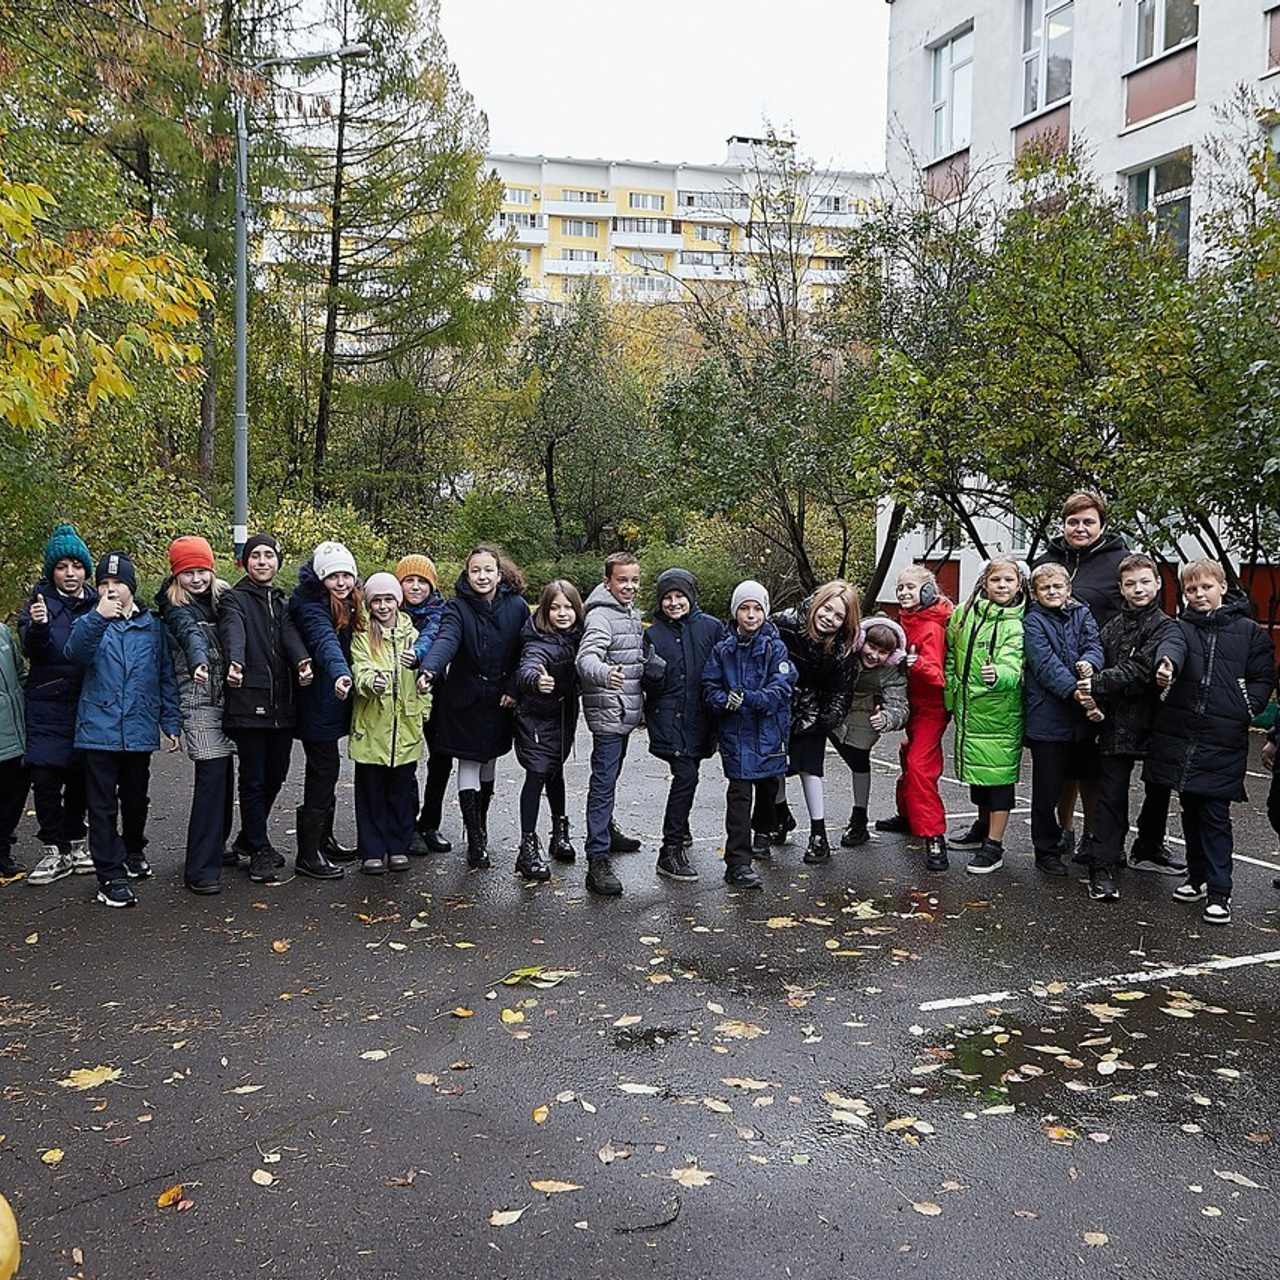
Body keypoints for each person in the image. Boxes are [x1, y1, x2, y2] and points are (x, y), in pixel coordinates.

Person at [1145, 559, 1274, 925]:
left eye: (1206, 587)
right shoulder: (1180, 628)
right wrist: (1166, 668)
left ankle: (1220, 891)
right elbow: (1171, 649)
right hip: (1182, 735)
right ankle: (1197, 876)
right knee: (1191, 810)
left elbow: (1263, 677)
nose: (1199, 594)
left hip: (1222, 738)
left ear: (1222, 587)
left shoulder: (1249, 632)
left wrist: (1247, 706)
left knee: (1215, 816)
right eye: (1191, 589)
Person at [64, 551, 181, 907]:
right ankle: (109, 876)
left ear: (131, 587)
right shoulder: (89, 621)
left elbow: (165, 676)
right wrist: (98, 617)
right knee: (101, 806)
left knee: (135, 798)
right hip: (98, 730)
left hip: (139, 727)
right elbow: (74, 653)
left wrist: (171, 722)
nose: (111, 589)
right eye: (103, 583)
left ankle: (133, 850)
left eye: (117, 582)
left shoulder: (153, 626)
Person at [1074, 553, 1176, 902]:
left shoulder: (1166, 627)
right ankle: (1103, 865)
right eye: (1130, 583)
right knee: (1111, 795)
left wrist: (1096, 683)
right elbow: (1097, 656)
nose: (1138, 589)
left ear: (1157, 583)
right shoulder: (1113, 626)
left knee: (1159, 788)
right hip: (1115, 722)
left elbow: (1141, 668)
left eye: (1145, 581)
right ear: (1120, 588)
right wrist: (1088, 675)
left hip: (1155, 721)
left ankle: (1149, 846)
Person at [420, 545, 529, 870]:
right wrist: (430, 669)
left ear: (499, 573)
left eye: (488, 570)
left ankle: (479, 824)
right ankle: (476, 839)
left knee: (488, 761)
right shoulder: (457, 607)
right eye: (475, 570)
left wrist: (513, 688)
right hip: (464, 699)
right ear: (467, 574)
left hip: (500, 699)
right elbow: (446, 640)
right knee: (468, 761)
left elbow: (526, 650)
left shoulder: (517, 606)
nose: (482, 576)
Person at [219, 533, 312, 885]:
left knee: (276, 773)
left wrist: (302, 661)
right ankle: (258, 847)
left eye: (268, 555)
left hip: (282, 704)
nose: (262, 561)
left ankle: (248, 836)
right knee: (254, 778)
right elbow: (233, 631)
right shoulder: (235, 599)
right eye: (255, 555)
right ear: (245, 562)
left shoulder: (281, 602)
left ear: (278, 561)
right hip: (248, 701)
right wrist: (235, 661)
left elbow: (290, 636)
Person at [575, 552, 665, 897]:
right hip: (609, 712)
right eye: (622, 580)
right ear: (607, 582)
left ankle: (607, 832)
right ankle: (597, 857)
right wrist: (604, 673)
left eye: (634, 580)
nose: (629, 586)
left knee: (609, 778)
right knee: (602, 782)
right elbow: (586, 658)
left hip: (623, 712)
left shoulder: (627, 613)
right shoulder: (601, 616)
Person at [702, 580, 797, 891]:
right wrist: (723, 701)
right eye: (744, 608)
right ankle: (738, 863)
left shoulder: (775, 647)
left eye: (757, 608)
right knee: (739, 797)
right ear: (736, 612)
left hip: (768, 734)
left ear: (765, 612)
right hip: (736, 736)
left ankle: (764, 832)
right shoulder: (723, 650)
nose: (751, 614)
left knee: (768, 787)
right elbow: (710, 687)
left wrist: (752, 698)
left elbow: (782, 687)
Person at [157, 536, 236, 895]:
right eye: (188, 573)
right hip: (198, 698)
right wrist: (199, 662)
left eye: (202, 570)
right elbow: (191, 636)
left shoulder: (225, 597)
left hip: (231, 697)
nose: (196, 579)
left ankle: (217, 844)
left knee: (226, 775)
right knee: (212, 775)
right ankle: (200, 868)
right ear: (177, 576)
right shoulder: (174, 607)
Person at [19, 525, 95, 885]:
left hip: (86, 702)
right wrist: (37, 627)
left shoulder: (97, 602)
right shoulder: (38, 604)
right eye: (62, 566)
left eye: (76, 566)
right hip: (47, 703)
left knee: (82, 778)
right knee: (46, 779)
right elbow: (31, 649)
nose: (70, 573)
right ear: (52, 571)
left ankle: (77, 843)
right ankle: (54, 849)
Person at [944, 558, 1027, 875]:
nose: (1002, 585)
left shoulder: (1016, 622)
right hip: (970, 708)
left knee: (999, 778)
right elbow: (951, 652)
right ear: (984, 582)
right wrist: (950, 692)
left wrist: (999, 676)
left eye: (1009, 580)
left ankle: (994, 845)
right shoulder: (964, 613)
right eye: (996, 580)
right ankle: (981, 826)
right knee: (978, 774)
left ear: (1019, 584)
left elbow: (1013, 663)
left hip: (1000, 713)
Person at [1022, 563, 1104, 878]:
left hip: (1083, 720)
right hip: (1048, 716)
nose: (1052, 592)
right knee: (1047, 789)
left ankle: (1094, 841)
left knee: (1090, 778)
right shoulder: (1033, 621)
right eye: (1045, 588)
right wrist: (1074, 691)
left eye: (1058, 586)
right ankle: (1046, 850)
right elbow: (1044, 664)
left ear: (1068, 589)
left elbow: (1094, 644)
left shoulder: (1082, 613)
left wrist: (1091, 662)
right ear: (1035, 593)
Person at [643, 568, 724, 883]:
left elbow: (723, 666)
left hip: (701, 716)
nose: (674, 603)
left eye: (680, 596)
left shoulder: (711, 628)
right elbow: (647, 683)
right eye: (667, 597)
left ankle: (682, 825)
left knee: (692, 771)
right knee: (686, 774)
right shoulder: (653, 634)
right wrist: (652, 675)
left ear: (691, 596)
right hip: (668, 716)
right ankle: (670, 849)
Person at [289, 540, 364, 880]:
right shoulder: (311, 605)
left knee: (328, 769)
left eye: (346, 575)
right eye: (333, 576)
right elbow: (325, 642)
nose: (341, 582)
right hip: (317, 699)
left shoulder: (349, 602)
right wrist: (341, 673)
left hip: (332, 698)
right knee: (324, 769)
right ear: (321, 578)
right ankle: (308, 853)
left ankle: (324, 839)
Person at [771, 581, 860, 864]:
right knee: (773, 767)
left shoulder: (842, 648)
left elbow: (841, 690)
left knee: (810, 770)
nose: (829, 618)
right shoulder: (783, 623)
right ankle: (781, 815)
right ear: (817, 603)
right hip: (775, 705)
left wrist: (832, 714)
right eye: (827, 609)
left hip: (812, 712)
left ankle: (818, 834)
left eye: (839, 616)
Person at [875, 565, 954, 871]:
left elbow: (937, 677)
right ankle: (908, 815)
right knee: (907, 755)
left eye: (911, 587)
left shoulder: (931, 627)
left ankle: (934, 835)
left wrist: (913, 662)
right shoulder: (906, 621)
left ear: (928, 590)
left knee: (921, 766)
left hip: (930, 709)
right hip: (911, 705)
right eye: (900, 587)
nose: (904, 592)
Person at [349, 573, 427, 875]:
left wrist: (424, 707)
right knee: (371, 792)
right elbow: (360, 669)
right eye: (376, 601)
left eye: (388, 600)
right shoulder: (362, 635)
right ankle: (372, 850)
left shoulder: (413, 635)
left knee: (401, 791)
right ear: (368, 604)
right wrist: (372, 682)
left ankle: (398, 846)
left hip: (405, 727)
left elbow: (425, 677)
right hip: (372, 728)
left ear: (398, 601)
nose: (383, 606)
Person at [513, 580, 585, 882]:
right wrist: (536, 681)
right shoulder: (537, 640)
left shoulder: (577, 637)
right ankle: (527, 846)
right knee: (537, 773)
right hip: (535, 720)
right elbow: (529, 667)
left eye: (568, 607)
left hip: (563, 718)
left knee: (555, 771)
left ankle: (560, 833)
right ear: (545, 610)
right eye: (555, 607)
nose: (562, 613)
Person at [830, 617, 909, 851]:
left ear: (892, 656)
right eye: (871, 647)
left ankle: (859, 817)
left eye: (883, 652)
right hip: (830, 703)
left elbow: (900, 707)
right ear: (860, 641)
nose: (874, 655)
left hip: (863, 711)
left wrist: (886, 718)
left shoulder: (892, 673)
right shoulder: (842, 651)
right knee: (800, 757)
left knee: (859, 760)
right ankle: (778, 811)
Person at [395, 554, 446, 856]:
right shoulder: (387, 609)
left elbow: (430, 637)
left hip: (435, 689)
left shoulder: (440, 612)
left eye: (422, 582)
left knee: (441, 758)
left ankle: (430, 822)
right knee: (406, 760)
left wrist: (416, 655)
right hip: (399, 695)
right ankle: (409, 825)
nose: (415, 587)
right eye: (409, 581)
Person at [0, 620, 28, 879]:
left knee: (14, 794)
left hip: (16, 733)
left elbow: (20, 674)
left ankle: (3, 852)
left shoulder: (2, 632)